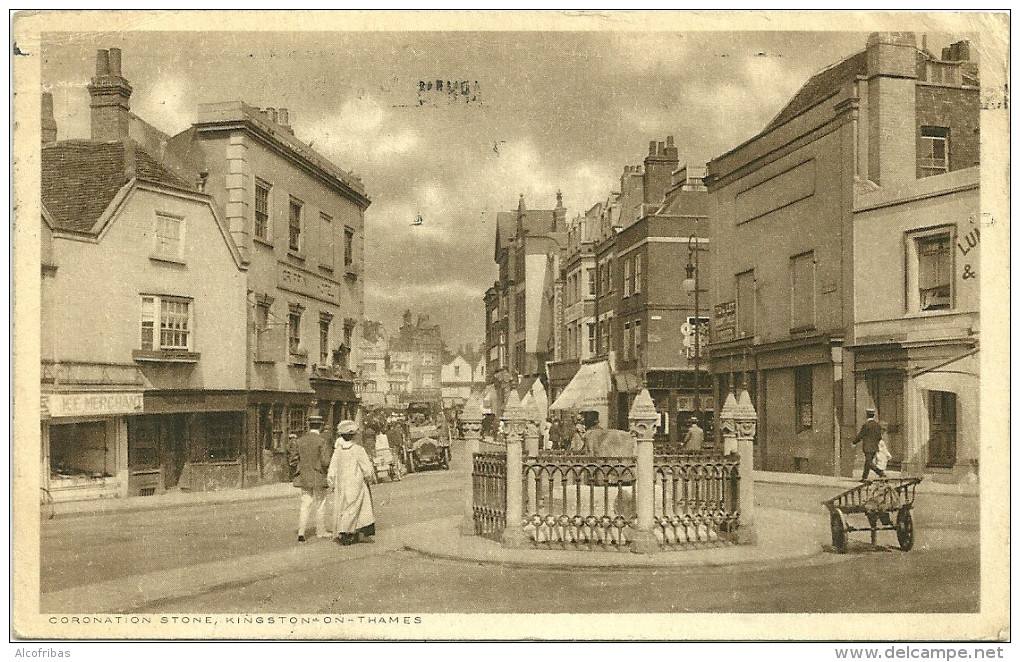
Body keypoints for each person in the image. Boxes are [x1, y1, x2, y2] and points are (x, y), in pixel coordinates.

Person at [328, 420, 376, 545]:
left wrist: (331, 481)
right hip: (356, 483)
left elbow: (332, 468)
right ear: (353, 435)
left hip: (342, 484)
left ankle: (349, 531)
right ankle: (347, 532)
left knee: (344, 506)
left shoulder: (338, 451)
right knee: (356, 507)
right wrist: (369, 477)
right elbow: (366, 467)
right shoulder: (358, 449)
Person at [288, 416, 331, 542]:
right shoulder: (322, 441)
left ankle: (301, 532)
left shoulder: (300, 441)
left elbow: (293, 460)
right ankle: (320, 531)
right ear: (321, 426)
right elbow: (325, 461)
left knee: (305, 504)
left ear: (309, 425)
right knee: (320, 504)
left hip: (304, 477)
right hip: (318, 476)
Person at [854, 408, 886, 480]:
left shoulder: (866, 425)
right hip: (874, 447)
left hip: (867, 447)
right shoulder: (877, 425)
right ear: (873, 415)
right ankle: (864, 477)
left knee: (869, 462)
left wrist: (854, 442)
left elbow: (861, 435)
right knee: (868, 462)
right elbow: (879, 437)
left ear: (867, 415)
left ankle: (880, 473)